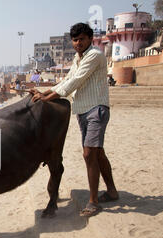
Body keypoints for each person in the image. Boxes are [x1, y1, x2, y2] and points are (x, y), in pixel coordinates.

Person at [30, 22, 119, 218]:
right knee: (98, 153)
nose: (78, 43)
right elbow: (66, 80)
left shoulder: (94, 55)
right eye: (75, 40)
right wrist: (44, 92)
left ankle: (93, 202)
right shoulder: (79, 58)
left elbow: (76, 81)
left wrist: (46, 98)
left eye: (81, 39)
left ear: (90, 39)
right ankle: (112, 192)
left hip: (97, 109)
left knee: (89, 155)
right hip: (83, 111)